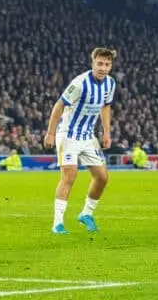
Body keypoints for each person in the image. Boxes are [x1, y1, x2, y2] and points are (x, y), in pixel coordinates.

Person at [44, 47, 117, 234]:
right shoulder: (79, 83)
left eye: (107, 64)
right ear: (93, 63)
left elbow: (106, 107)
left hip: (87, 137)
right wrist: (50, 133)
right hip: (68, 134)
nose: (103, 68)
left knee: (102, 177)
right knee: (69, 175)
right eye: (99, 64)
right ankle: (57, 224)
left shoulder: (110, 84)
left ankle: (86, 214)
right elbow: (59, 105)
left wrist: (107, 132)